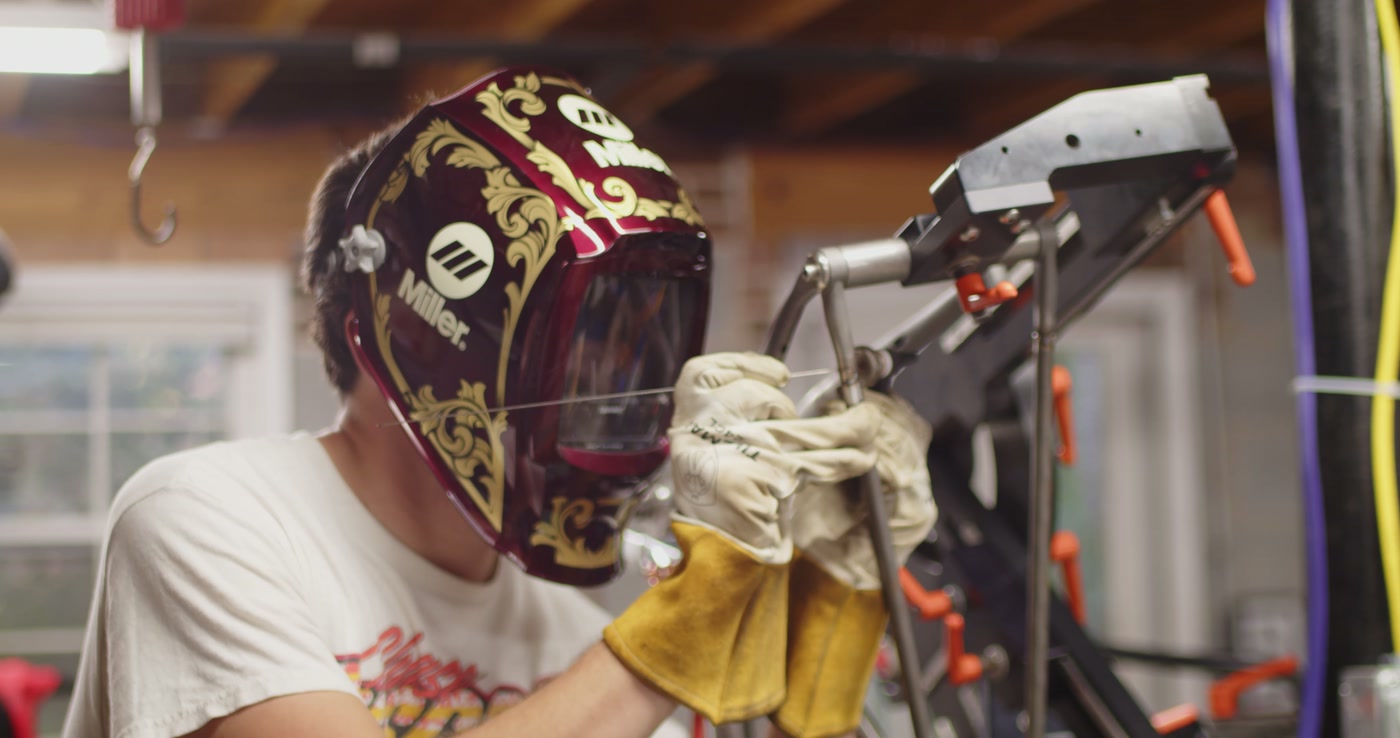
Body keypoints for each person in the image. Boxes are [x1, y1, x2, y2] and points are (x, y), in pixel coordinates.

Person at [62, 66, 936, 738]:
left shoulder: (567, 638)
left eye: (635, 341)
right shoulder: (209, 522)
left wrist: (825, 592)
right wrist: (676, 637)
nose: (617, 380)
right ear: (431, 331)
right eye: (585, 339)